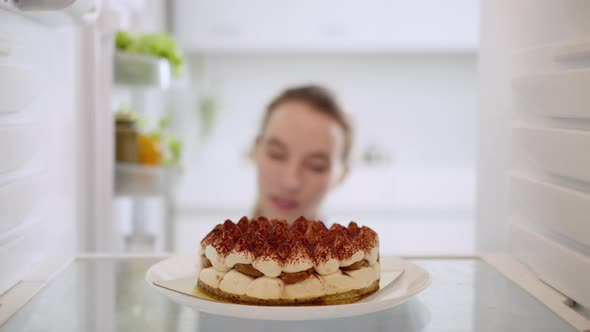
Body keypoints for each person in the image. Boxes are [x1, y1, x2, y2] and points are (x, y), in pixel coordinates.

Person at [251, 85, 353, 223]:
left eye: (316, 167)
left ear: (342, 175)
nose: (290, 182)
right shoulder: (216, 242)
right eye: (277, 155)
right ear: (255, 150)